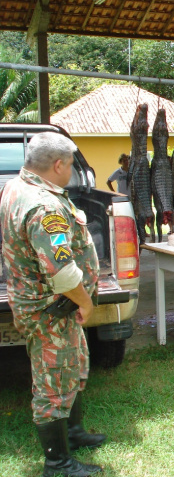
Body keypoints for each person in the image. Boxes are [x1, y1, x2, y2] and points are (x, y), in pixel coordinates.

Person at [0, 132, 105, 476]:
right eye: (71, 165)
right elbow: (60, 270)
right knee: (53, 383)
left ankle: (72, 434)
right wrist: (86, 303)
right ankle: (58, 462)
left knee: (68, 371)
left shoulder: (16, 188)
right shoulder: (44, 205)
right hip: (50, 310)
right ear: (58, 164)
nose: (72, 171)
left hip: (44, 306)